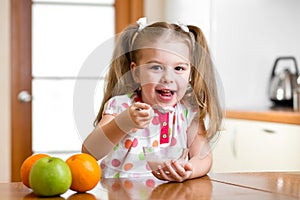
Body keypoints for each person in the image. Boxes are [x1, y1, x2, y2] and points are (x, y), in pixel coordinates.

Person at [82, 18, 223, 182]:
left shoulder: (188, 111)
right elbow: (90, 151)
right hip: (120, 193)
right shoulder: (121, 106)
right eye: (156, 67)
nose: (168, 78)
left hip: (169, 193)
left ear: (190, 73)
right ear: (136, 73)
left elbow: (203, 157)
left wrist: (189, 170)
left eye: (179, 68)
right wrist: (124, 122)